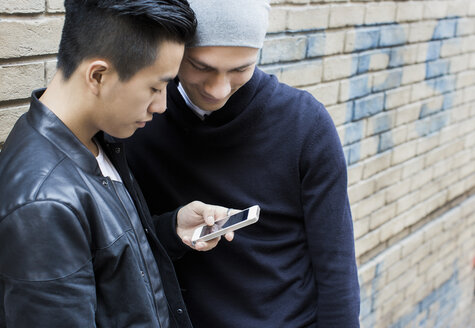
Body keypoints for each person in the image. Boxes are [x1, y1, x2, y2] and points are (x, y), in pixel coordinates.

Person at [125, 0, 360, 327]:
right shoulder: (138, 122)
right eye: (201, 66)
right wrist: (172, 227)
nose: (218, 89)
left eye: (240, 69)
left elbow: (336, 266)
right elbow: (126, 245)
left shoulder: (305, 124)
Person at [0, 1, 234, 327]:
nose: (162, 105)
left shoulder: (97, 137)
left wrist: (170, 229)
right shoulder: (44, 204)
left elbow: (107, 260)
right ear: (98, 75)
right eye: (155, 87)